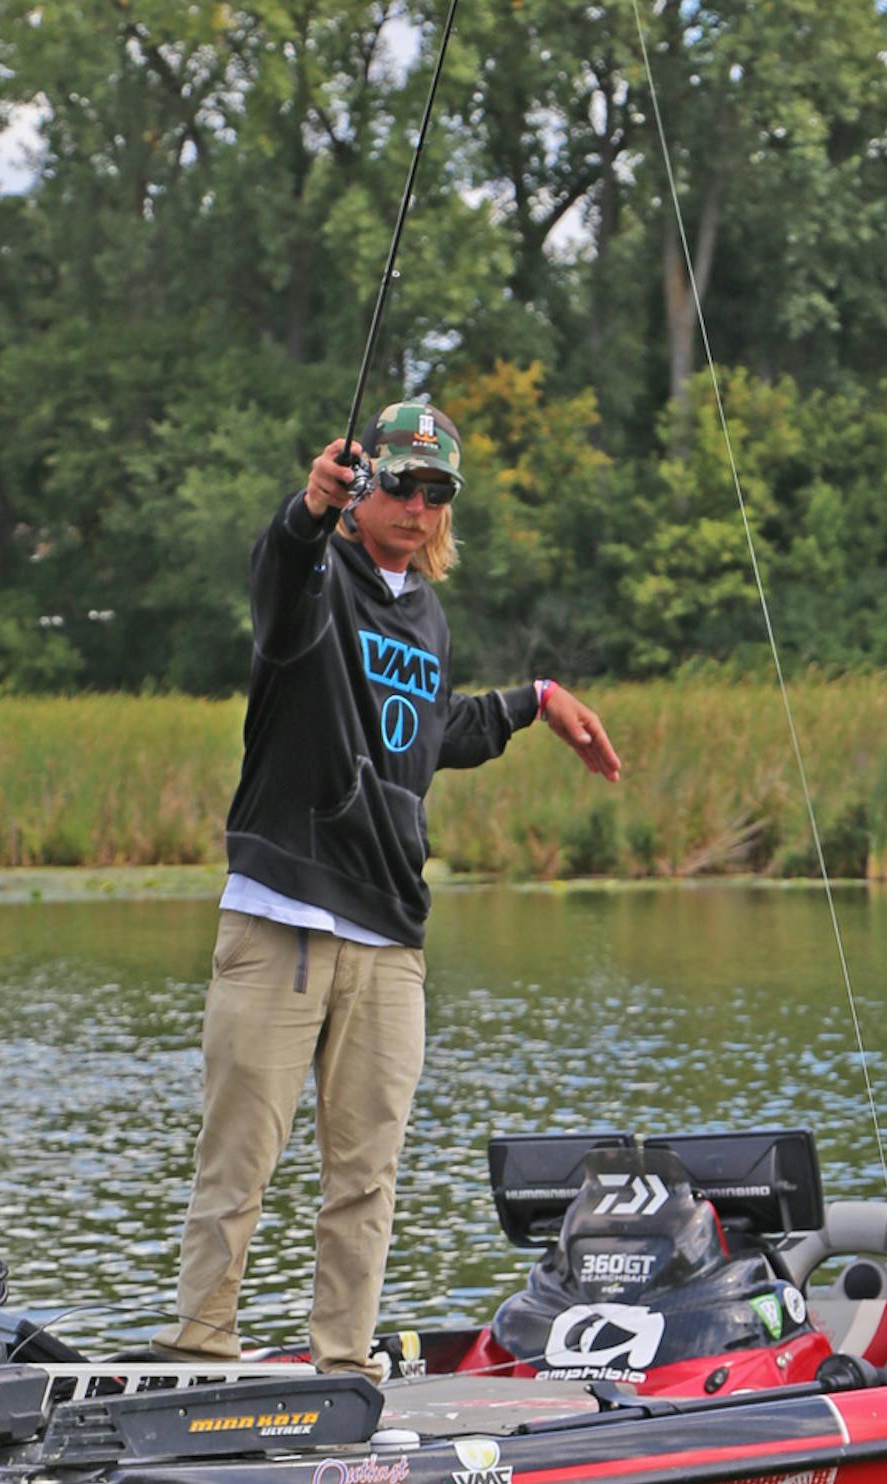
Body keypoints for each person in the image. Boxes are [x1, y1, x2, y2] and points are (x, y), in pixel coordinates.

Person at [158, 396, 620, 1376]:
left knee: (365, 1177)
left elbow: (430, 728)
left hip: (389, 938)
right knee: (239, 1158)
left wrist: (534, 702)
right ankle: (201, 1346)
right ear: (362, 486)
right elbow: (280, 577)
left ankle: (342, 1367)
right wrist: (306, 510)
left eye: (435, 489)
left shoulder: (427, 614)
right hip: (282, 921)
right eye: (399, 482)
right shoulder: (318, 580)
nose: (416, 503)